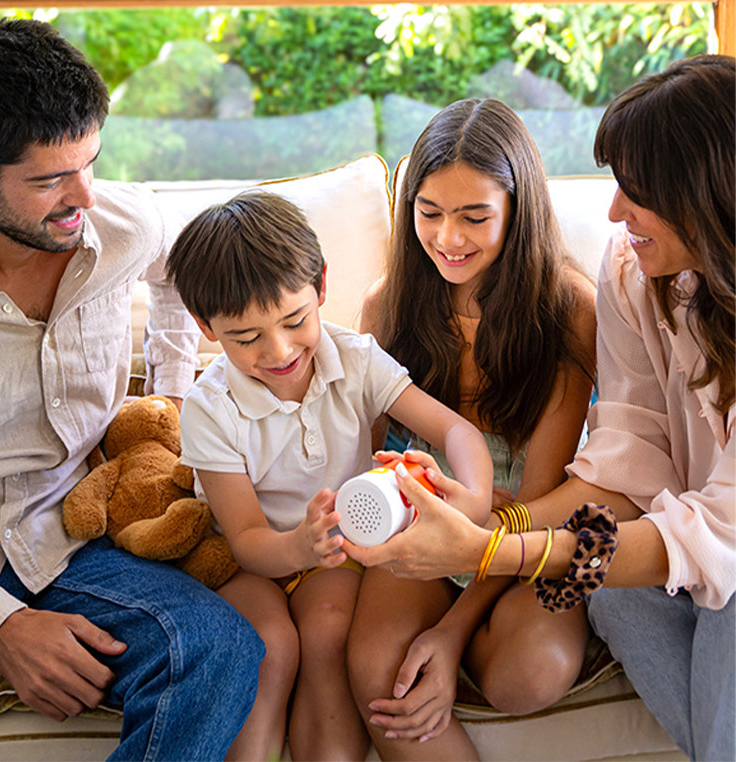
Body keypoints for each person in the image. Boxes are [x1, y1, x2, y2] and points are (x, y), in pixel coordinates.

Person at [0, 17, 263, 761]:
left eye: (89, 162)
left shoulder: (121, 222)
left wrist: (171, 395)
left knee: (217, 650)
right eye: (49, 180)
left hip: (72, 538)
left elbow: (175, 273)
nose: (83, 195)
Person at [348, 54, 735, 762]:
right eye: (431, 214)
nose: (613, 212)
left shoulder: (564, 306)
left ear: (710, 197)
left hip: (721, 556)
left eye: (637, 193)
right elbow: (627, 466)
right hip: (643, 540)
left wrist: (490, 546)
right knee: (614, 597)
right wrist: (492, 530)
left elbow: (716, 536)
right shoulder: (633, 271)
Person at [166, 189, 494, 761]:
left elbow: (457, 433)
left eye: (294, 321)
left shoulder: (356, 358)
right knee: (267, 647)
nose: (278, 350)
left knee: (329, 629)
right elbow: (245, 540)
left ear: (320, 287)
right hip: (251, 560)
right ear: (206, 326)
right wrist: (298, 544)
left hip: (333, 554)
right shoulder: (209, 408)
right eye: (247, 338)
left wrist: (473, 501)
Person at [346, 97, 598, 759]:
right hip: (426, 507)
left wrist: (451, 633)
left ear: (518, 209)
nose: (448, 239)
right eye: (429, 213)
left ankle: (470, 640)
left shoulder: (570, 309)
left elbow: (538, 499)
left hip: (531, 518)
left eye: (474, 217)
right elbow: (365, 455)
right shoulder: (388, 303)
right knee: (378, 674)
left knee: (529, 674)